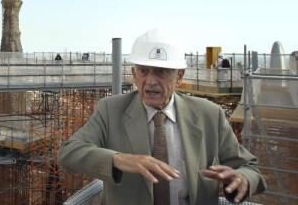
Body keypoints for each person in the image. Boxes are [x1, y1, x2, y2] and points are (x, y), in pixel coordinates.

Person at [58, 29, 266, 205]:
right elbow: (69, 153)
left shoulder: (209, 114)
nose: (150, 81)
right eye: (144, 71)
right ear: (134, 73)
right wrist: (118, 159)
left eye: (161, 72)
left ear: (180, 77)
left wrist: (242, 180)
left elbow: (249, 167)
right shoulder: (111, 110)